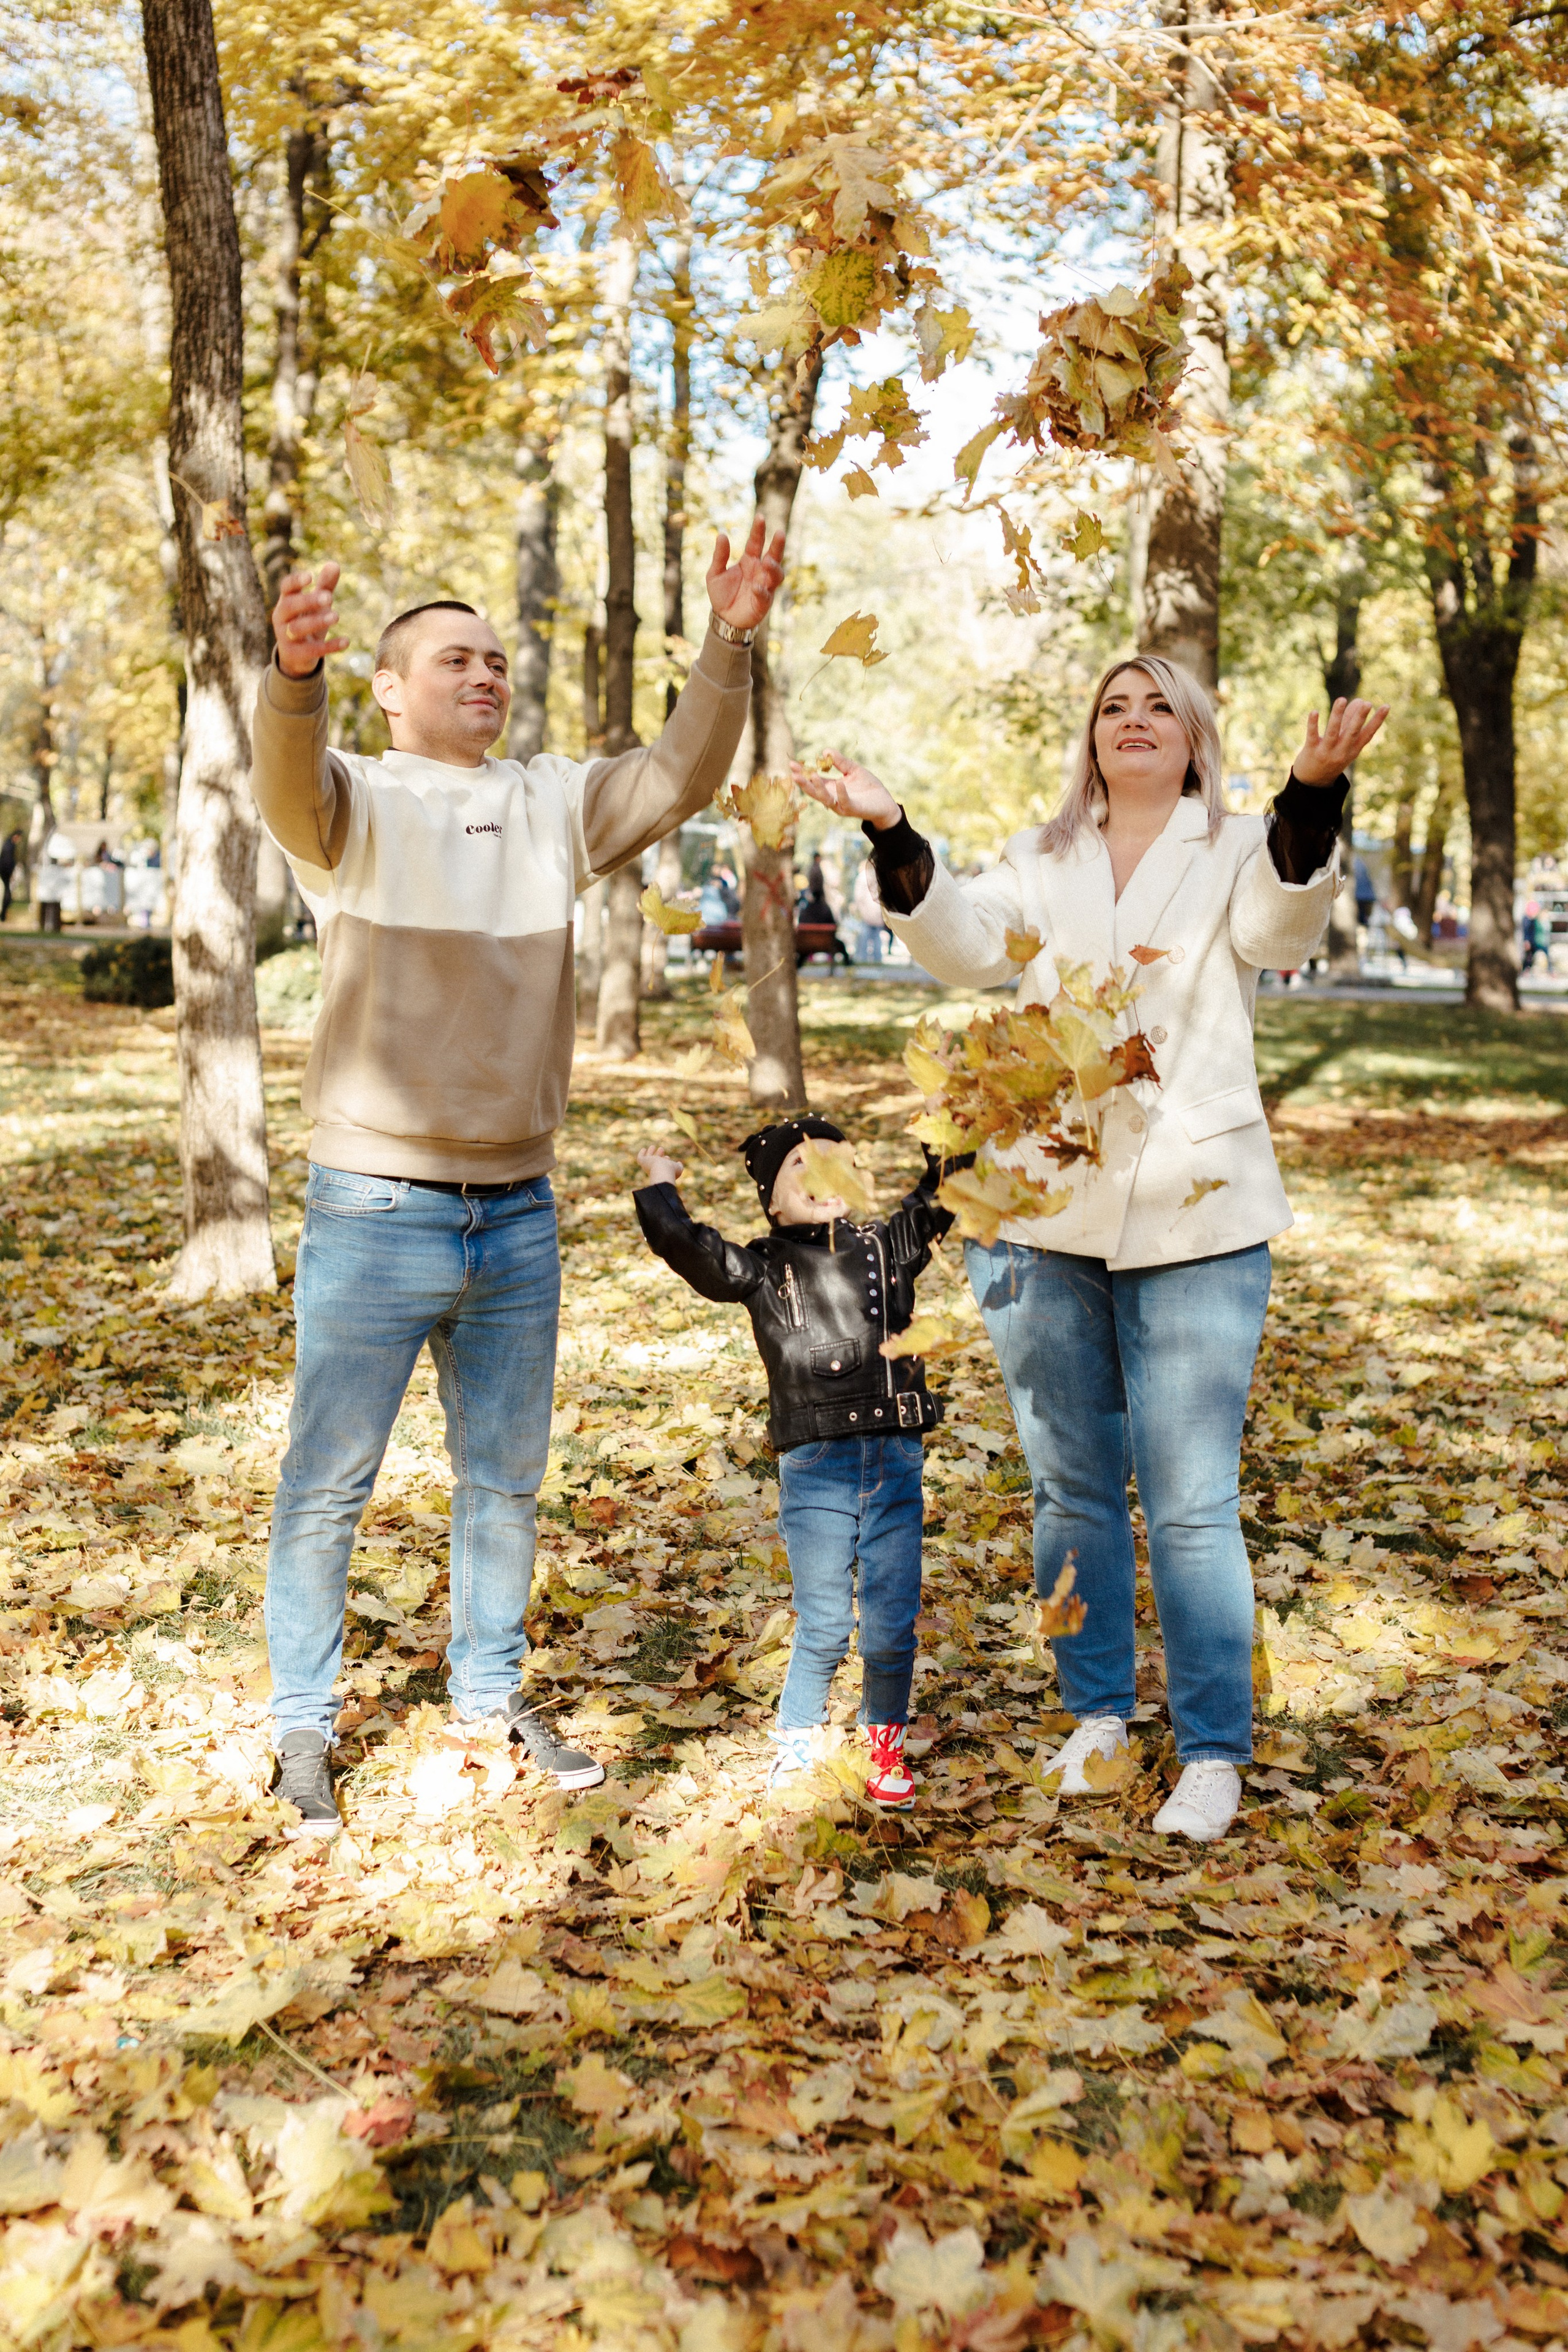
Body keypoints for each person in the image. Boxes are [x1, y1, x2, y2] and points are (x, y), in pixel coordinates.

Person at [251, 520, 785, 1838]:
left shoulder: (551, 803)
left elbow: (678, 773)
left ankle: (488, 1695)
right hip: (374, 1206)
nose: (485, 674)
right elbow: (286, 782)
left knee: (502, 1481)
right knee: (328, 1483)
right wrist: (294, 677)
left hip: (517, 1213)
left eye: (495, 660)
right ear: (390, 689)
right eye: (455, 659)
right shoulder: (353, 804)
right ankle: (302, 1726)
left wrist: (728, 640)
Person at [795, 657, 1388, 1843]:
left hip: (1197, 1214)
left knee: (1190, 1504)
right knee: (1069, 1488)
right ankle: (1097, 1715)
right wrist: (890, 825)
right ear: (1091, 737)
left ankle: (1211, 1750)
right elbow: (964, 946)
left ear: (1194, 738)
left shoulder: (1239, 844)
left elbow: (1276, 930)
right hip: (1041, 1210)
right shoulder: (1040, 856)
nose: (1133, 720)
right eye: (1114, 706)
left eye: (1159, 706)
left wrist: (1312, 793)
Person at [633, 1119, 956, 1811]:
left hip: (895, 1459)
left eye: (837, 1160)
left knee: (892, 1622)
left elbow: (942, 1196)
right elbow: (690, 1249)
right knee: (825, 1621)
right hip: (817, 1466)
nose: (823, 1174)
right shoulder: (762, 1267)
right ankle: (799, 1738)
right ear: (773, 1204)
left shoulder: (889, 1246)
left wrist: (944, 1130)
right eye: (800, 1166)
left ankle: (885, 1743)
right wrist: (661, 1187)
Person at [851, 855, 886, 962]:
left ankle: (862, 957)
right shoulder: (879, 877)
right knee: (876, 936)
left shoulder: (862, 877)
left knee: (864, 935)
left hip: (866, 910)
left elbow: (858, 896)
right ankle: (877, 958)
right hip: (877, 910)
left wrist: (858, 908)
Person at [0, 831, 20, 923]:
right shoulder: (10, 846)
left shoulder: (8, 844)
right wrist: (11, 872)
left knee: (7, 892)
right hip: (5, 871)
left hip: (4, 871)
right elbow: (8, 861)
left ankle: (4, 914)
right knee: (7, 893)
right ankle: (3, 915)